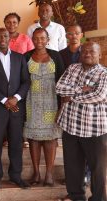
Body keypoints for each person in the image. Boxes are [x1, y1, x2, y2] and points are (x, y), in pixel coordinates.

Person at [56, 42, 107, 201]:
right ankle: (76, 196)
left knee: (97, 168)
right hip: (70, 126)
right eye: (84, 51)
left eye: (92, 51)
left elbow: (99, 95)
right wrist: (81, 89)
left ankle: (98, 198)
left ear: (100, 54)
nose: (87, 53)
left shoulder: (104, 73)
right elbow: (59, 88)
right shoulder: (72, 68)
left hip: (94, 129)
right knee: (72, 166)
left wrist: (71, 97)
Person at [0, 28, 31, 190]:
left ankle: (16, 176)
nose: (3, 38)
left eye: (5, 36)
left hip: (16, 107)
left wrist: (15, 98)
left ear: (10, 39)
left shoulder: (19, 58)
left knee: (16, 142)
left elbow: (26, 82)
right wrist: (4, 100)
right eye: (0, 36)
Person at [24, 28, 64, 187]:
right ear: (32, 39)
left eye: (42, 38)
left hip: (51, 103)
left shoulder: (56, 56)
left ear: (48, 39)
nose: (39, 41)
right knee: (33, 138)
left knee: (50, 138)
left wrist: (62, 106)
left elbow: (62, 81)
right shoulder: (26, 56)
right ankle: (36, 173)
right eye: (36, 38)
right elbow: (22, 80)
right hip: (31, 102)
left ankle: (48, 174)